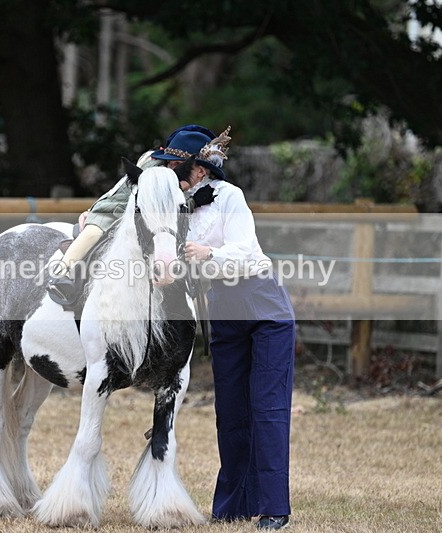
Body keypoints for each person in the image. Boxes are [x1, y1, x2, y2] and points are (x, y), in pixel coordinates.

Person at [151, 125, 296, 530]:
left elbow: (246, 253)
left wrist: (207, 252)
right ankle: (232, 505)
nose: (170, 170)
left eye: (177, 164)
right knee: (230, 411)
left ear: (199, 170)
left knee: (266, 409)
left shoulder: (230, 197)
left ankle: (273, 508)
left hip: (264, 308)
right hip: (224, 309)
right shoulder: (174, 205)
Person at [46, 126, 215, 305]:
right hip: (116, 207)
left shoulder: (189, 180)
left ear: (199, 170)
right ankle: (61, 274)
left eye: (178, 164)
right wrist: (193, 202)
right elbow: (156, 203)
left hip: (141, 213)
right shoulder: (154, 169)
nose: (172, 167)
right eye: (171, 162)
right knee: (93, 232)